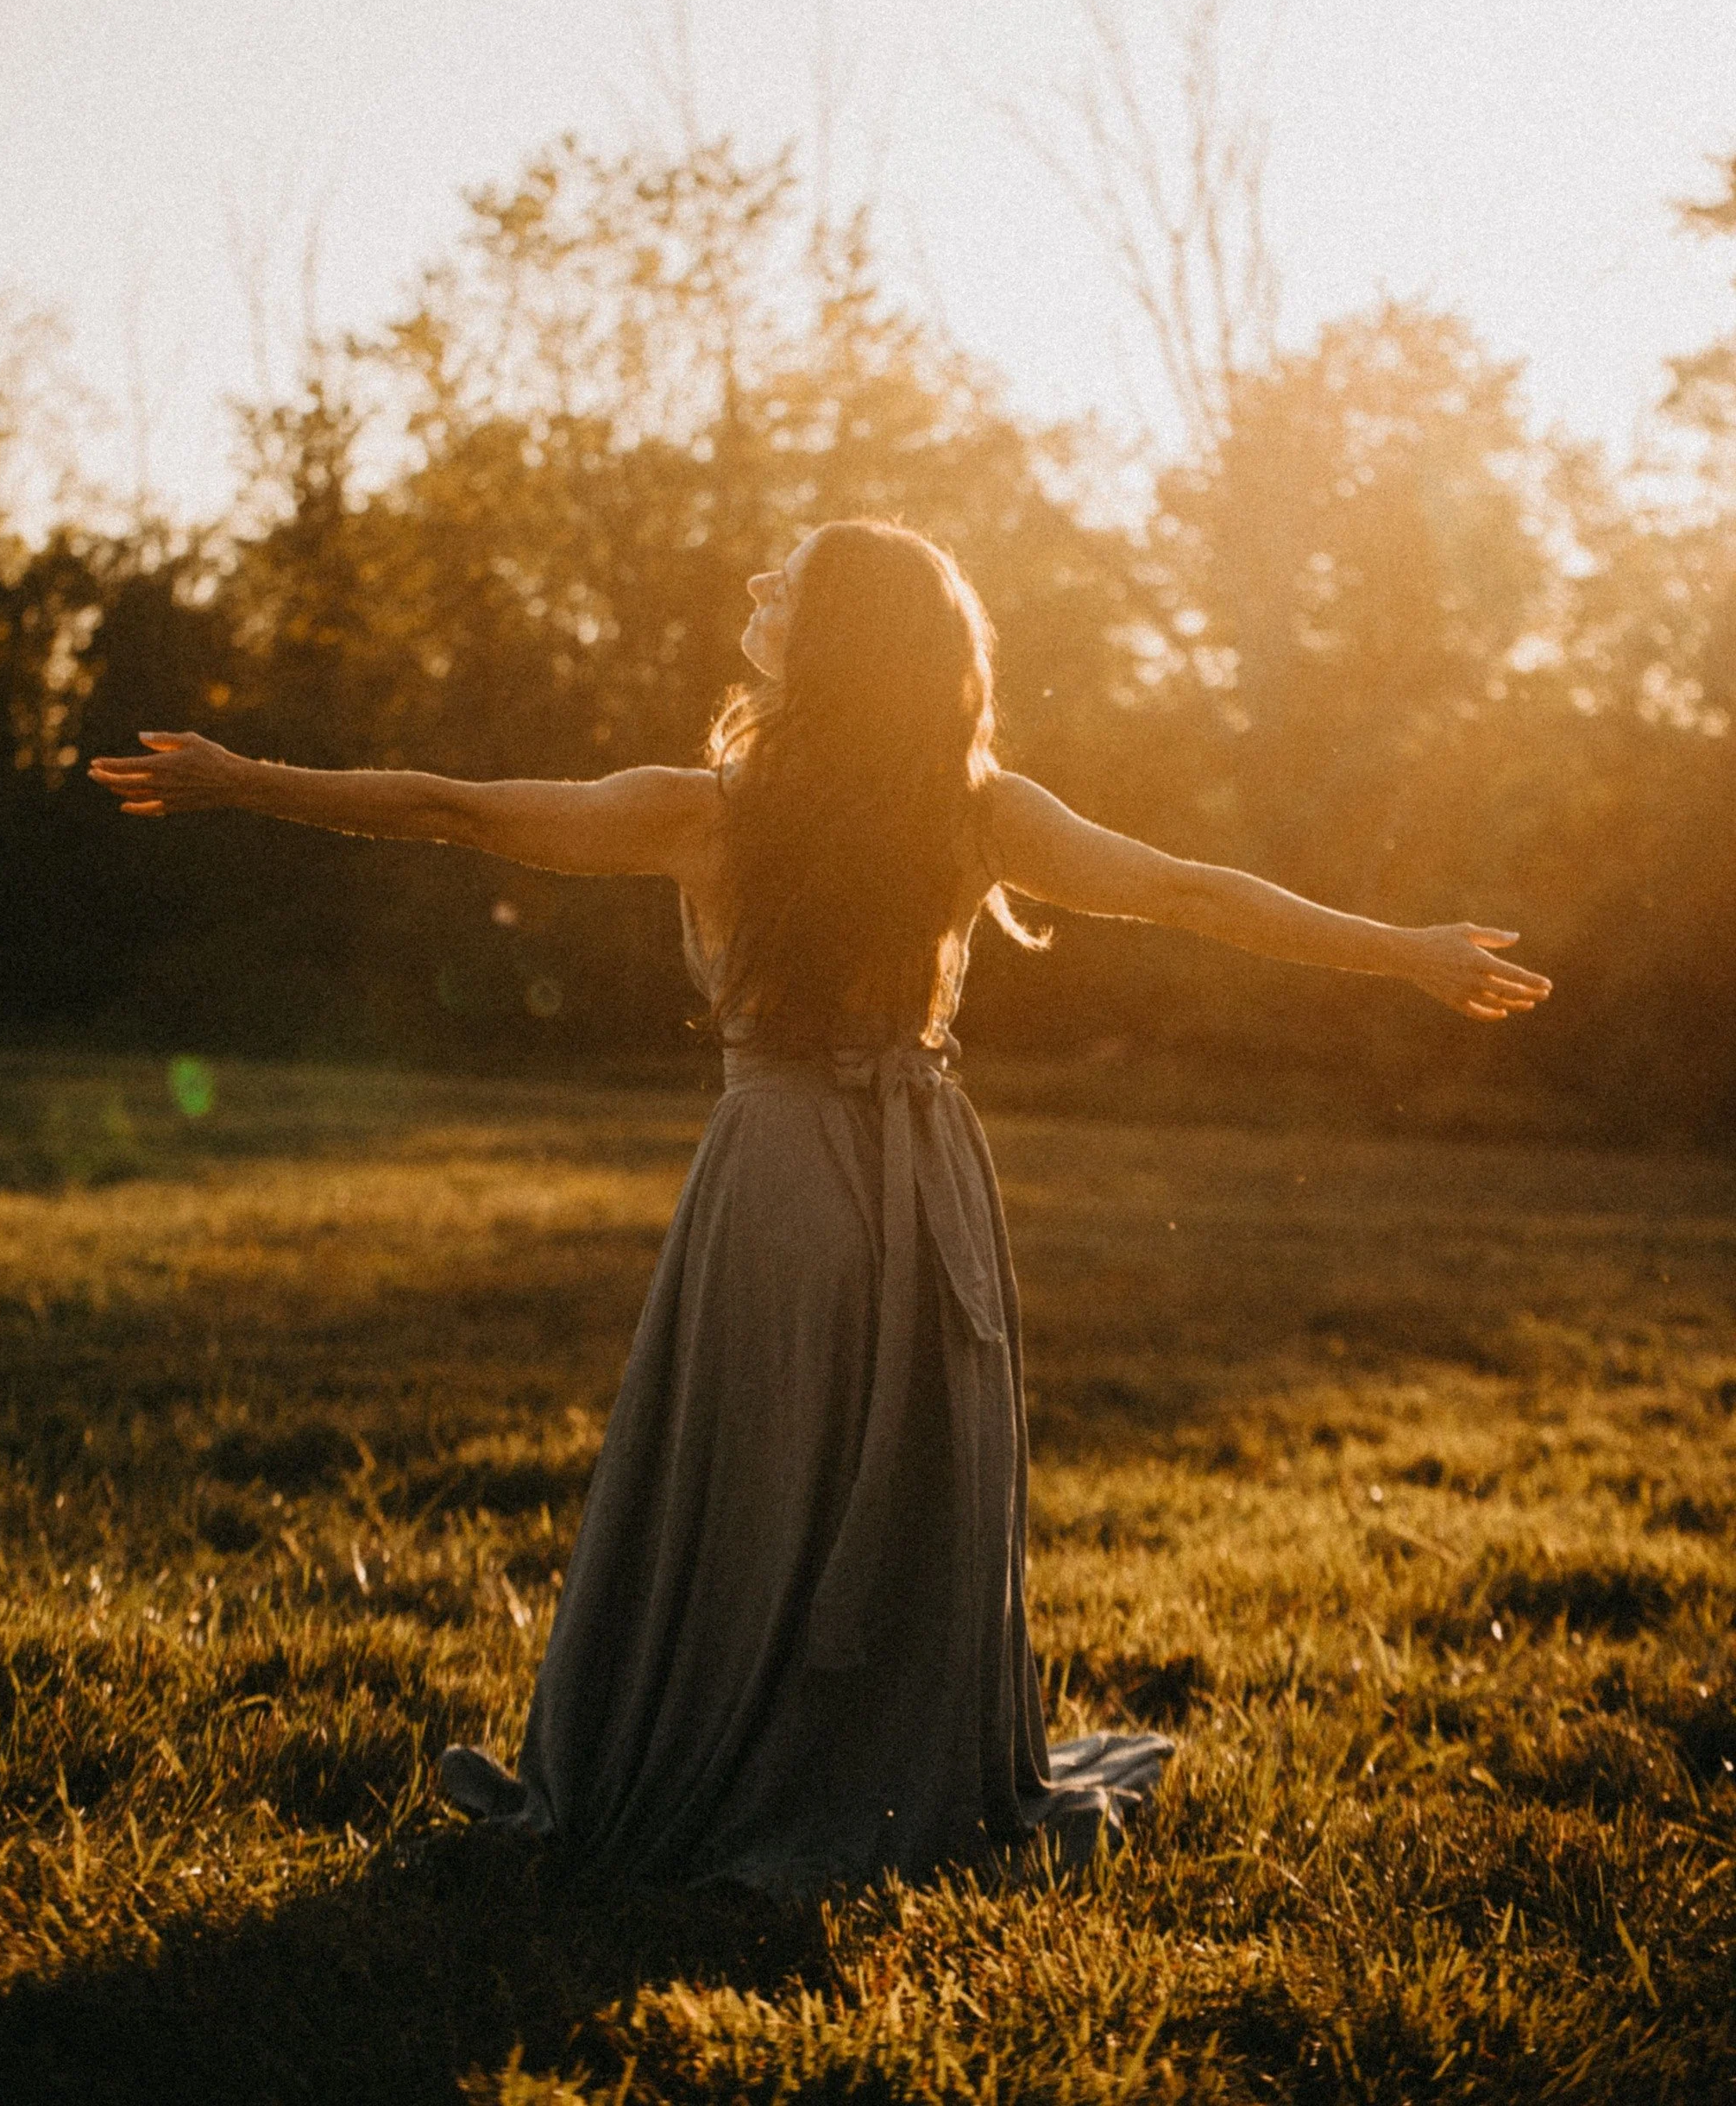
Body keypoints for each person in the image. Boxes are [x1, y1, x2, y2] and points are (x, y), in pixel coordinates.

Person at [89, 519, 1550, 1892]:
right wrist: (1406, 949)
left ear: (838, 639)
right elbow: (1195, 893)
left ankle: (709, 1773)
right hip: (922, 1171)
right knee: (903, 1476)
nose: (755, 609)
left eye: (781, 594)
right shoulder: (977, 816)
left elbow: (459, 811)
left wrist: (249, 780)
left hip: (788, 1164)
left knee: (752, 1482)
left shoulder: (703, 814)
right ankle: (874, 1782)